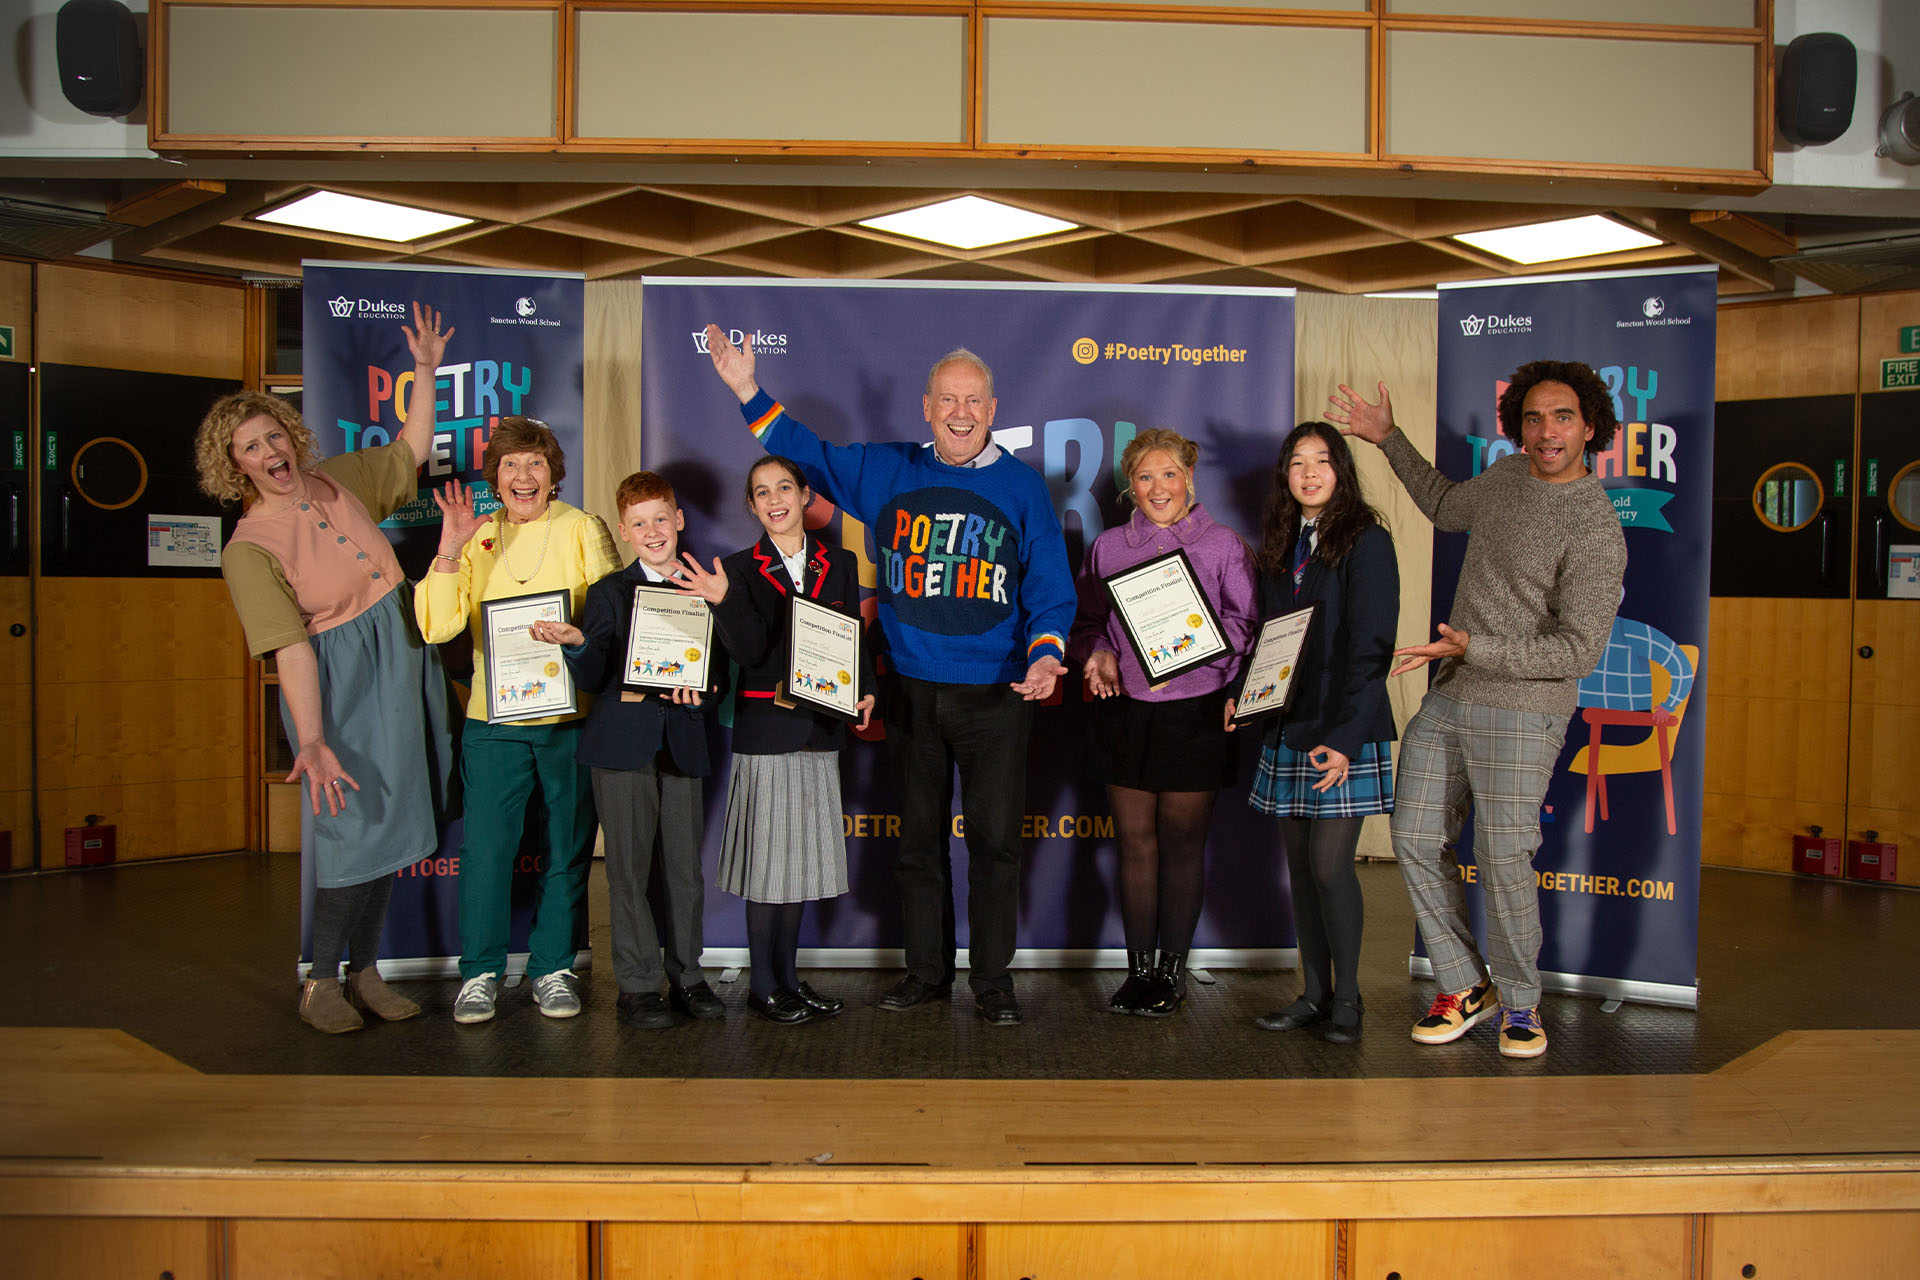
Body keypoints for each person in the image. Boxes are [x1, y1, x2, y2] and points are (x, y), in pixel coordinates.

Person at [702, 325, 1075, 1026]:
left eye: (973, 401)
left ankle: (992, 982)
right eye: (947, 400)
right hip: (908, 687)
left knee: (995, 847)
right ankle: (927, 974)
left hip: (996, 692)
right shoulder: (887, 469)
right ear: (926, 407)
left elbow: (1051, 588)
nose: (960, 413)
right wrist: (747, 389)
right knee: (916, 844)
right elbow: (804, 452)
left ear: (992, 409)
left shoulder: (1023, 488)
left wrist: (1047, 651)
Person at [1328, 361, 1626, 1060]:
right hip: (1454, 692)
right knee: (1412, 835)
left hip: (1525, 709)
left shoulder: (1595, 526)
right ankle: (1465, 985)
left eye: (1561, 419)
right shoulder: (1505, 479)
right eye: (1532, 418)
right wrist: (1387, 436)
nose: (1545, 432)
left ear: (1590, 428)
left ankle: (1522, 1004)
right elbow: (1443, 505)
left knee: (1501, 856)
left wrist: (1476, 646)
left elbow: (1578, 650)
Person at [198, 302, 455, 1034]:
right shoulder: (248, 549)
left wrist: (426, 369)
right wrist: (311, 740)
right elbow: (292, 649)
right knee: (354, 834)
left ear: (291, 437)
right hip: (341, 684)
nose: (269, 451)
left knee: (394, 830)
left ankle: (365, 970)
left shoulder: (338, 480)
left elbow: (409, 450)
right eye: (249, 447)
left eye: (273, 434)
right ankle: (319, 981)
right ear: (234, 466)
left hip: (403, 655)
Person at [416, 417, 621, 1024]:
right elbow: (437, 627)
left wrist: (578, 636)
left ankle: (552, 968)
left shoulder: (582, 527)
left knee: (566, 847)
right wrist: (449, 546)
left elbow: (611, 618)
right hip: (493, 721)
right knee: (485, 852)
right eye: (510, 465)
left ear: (553, 474)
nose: (523, 475)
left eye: (534, 462)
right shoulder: (477, 539)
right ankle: (479, 972)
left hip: (569, 718)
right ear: (496, 480)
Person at [674, 456, 876, 1024]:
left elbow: (852, 636)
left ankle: (788, 978)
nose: (775, 499)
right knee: (769, 867)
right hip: (767, 732)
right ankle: (763, 985)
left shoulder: (839, 561)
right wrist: (723, 601)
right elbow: (750, 652)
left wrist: (867, 688)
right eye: (762, 492)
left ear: (805, 495)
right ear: (751, 506)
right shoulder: (735, 570)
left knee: (801, 864)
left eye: (785, 487)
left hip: (822, 726)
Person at [1068, 429, 1255, 1017]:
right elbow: (1090, 624)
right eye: (1145, 477)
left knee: (1181, 845)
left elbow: (1246, 626)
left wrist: (1189, 649)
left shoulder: (1224, 545)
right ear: (1130, 486)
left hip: (1196, 710)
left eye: (1168, 475)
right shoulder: (1110, 548)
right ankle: (1138, 971)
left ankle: (1173, 971)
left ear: (1189, 478)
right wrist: (1096, 653)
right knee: (1135, 846)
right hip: (1126, 711)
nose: (1158, 488)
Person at [529, 472, 725, 1030]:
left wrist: (707, 693)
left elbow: (720, 675)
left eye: (661, 518)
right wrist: (577, 643)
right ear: (624, 532)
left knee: (684, 871)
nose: (653, 531)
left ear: (679, 520)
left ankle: (688, 976)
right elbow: (593, 676)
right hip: (622, 746)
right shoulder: (610, 591)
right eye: (639, 523)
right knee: (629, 870)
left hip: (684, 741)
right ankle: (637, 987)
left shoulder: (706, 587)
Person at [1233, 422, 1399, 1044]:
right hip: (1289, 723)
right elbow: (1271, 644)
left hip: (1343, 727)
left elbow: (1372, 648)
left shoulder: (1367, 542)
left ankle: (1349, 999)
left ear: (1341, 471)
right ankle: (1313, 994)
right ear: (1285, 476)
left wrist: (1348, 739)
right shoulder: (1281, 545)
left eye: (1321, 461)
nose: (1308, 473)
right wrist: (1245, 703)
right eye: (1297, 462)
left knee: (1331, 868)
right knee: (1300, 871)